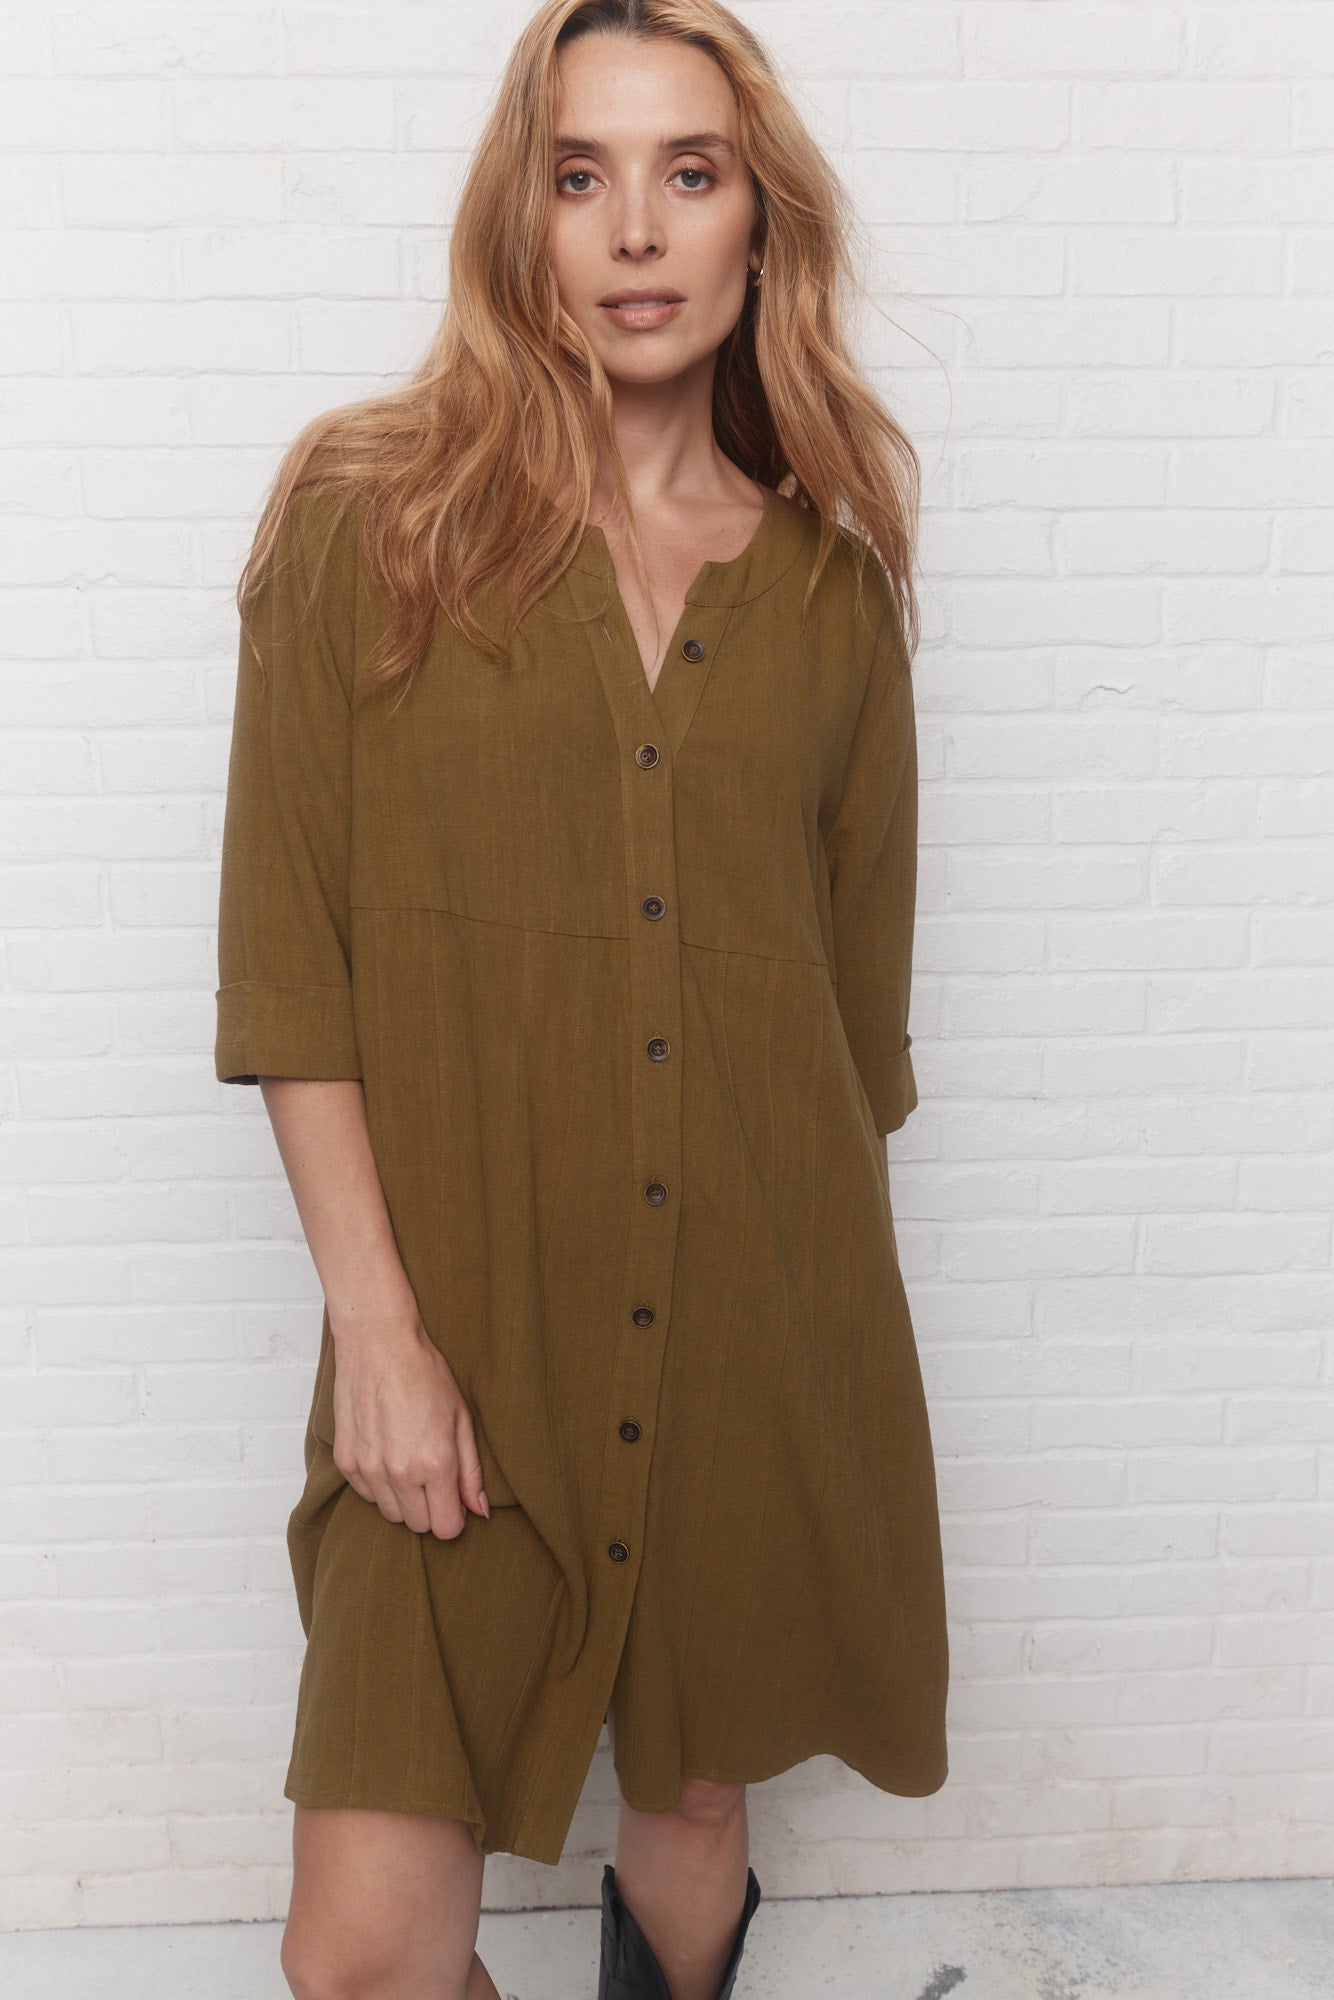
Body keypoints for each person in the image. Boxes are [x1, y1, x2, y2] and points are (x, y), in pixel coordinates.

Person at [212, 3, 949, 1996]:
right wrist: (377, 1332)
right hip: (452, 1336)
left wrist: (797, 1375)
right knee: (361, 1957)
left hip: (749, 1327)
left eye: (687, 173)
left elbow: (843, 1031)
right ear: (517, 219)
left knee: (693, 1811)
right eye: (578, 175)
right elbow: (290, 967)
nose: (634, 229)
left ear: (756, 226)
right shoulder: (366, 521)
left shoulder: (831, 596)